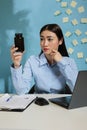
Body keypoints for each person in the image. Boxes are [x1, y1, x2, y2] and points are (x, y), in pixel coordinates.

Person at [10, 23, 78, 94]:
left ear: (60, 41)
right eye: (42, 39)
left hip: (61, 103)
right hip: (38, 103)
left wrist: (61, 62)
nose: (45, 44)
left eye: (50, 39)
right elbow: (21, 91)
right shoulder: (32, 61)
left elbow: (77, 89)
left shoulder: (69, 62)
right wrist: (16, 65)